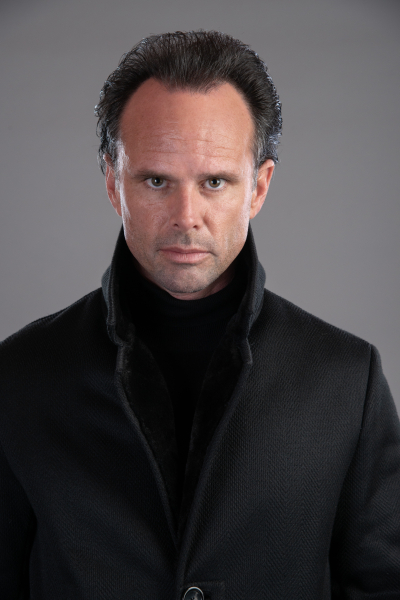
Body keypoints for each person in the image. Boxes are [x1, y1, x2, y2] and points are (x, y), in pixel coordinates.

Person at [0, 30, 399, 600]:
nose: (186, 216)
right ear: (113, 183)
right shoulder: (18, 376)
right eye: (156, 180)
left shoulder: (347, 380)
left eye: (214, 181)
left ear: (258, 188)